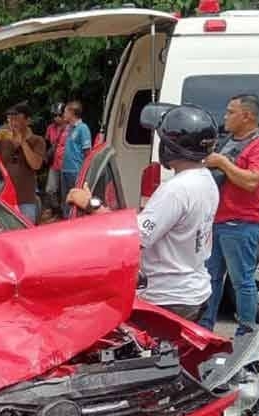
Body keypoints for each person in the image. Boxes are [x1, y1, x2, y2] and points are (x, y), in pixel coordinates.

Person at [67, 104, 219, 321]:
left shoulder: (176, 190)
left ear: (170, 148)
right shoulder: (205, 179)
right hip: (192, 290)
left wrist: (90, 204)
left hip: (168, 298)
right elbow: (149, 224)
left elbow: (134, 237)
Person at [199, 94, 259, 336]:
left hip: (241, 223)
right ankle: (204, 330)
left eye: (230, 112)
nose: (225, 117)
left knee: (242, 281)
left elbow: (253, 181)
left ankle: (246, 333)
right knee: (209, 279)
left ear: (247, 116)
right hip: (217, 221)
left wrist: (222, 162)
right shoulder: (228, 141)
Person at [0, 102, 46, 222]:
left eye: (16, 119)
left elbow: (36, 165)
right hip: (4, 198)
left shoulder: (37, 141)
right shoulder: (3, 139)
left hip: (25, 200)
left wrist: (23, 143)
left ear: (28, 121)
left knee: (26, 235)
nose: (12, 124)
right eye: (10, 120)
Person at [60, 101, 92, 216]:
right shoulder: (69, 128)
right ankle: (66, 221)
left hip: (76, 171)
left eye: (65, 111)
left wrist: (85, 171)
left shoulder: (83, 128)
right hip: (65, 169)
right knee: (66, 200)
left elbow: (87, 152)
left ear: (72, 113)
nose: (63, 114)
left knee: (76, 201)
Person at [43, 102, 68, 214]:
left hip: (67, 164)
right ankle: (56, 210)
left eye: (59, 115)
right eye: (54, 115)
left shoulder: (70, 128)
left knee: (66, 191)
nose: (56, 118)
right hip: (54, 163)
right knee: (50, 189)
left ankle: (65, 213)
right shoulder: (50, 128)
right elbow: (47, 143)